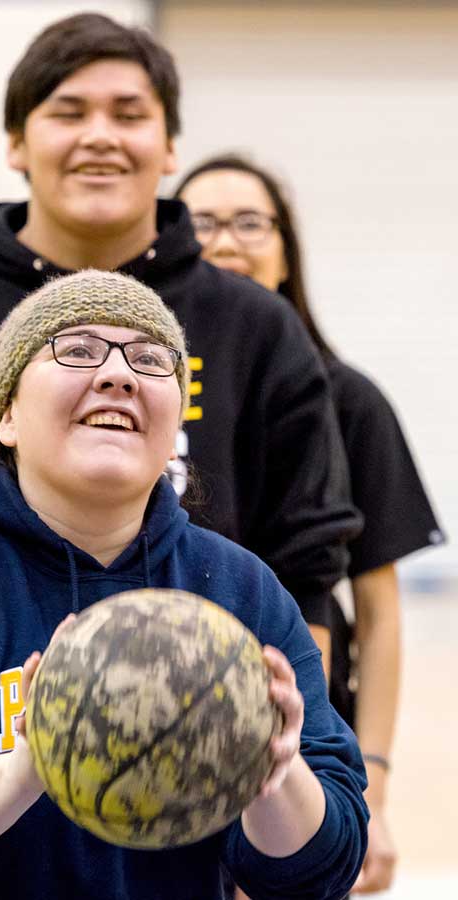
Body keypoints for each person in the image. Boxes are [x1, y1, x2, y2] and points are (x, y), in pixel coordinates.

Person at [0, 270, 368, 900]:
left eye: (149, 359)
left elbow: (321, 871)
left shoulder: (237, 591)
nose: (119, 375)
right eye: (77, 350)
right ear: (5, 416)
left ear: (175, 429)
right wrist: (20, 777)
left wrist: (278, 779)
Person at [0, 14, 361, 657]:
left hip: (199, 724)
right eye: (68, 113)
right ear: (15, 142)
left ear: (170, 146)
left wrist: (289, 736)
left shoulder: (257, 325)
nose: (100, 137)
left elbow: (307, 568)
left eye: (129, 115)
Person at [174, 153, 446, 895]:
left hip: (298, 738)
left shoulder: (349, 400)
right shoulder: (142, 391)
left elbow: (381, 616)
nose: (226, 241)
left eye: (250, 222)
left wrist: (374, 792)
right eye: (202, 222)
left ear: (287, 250)